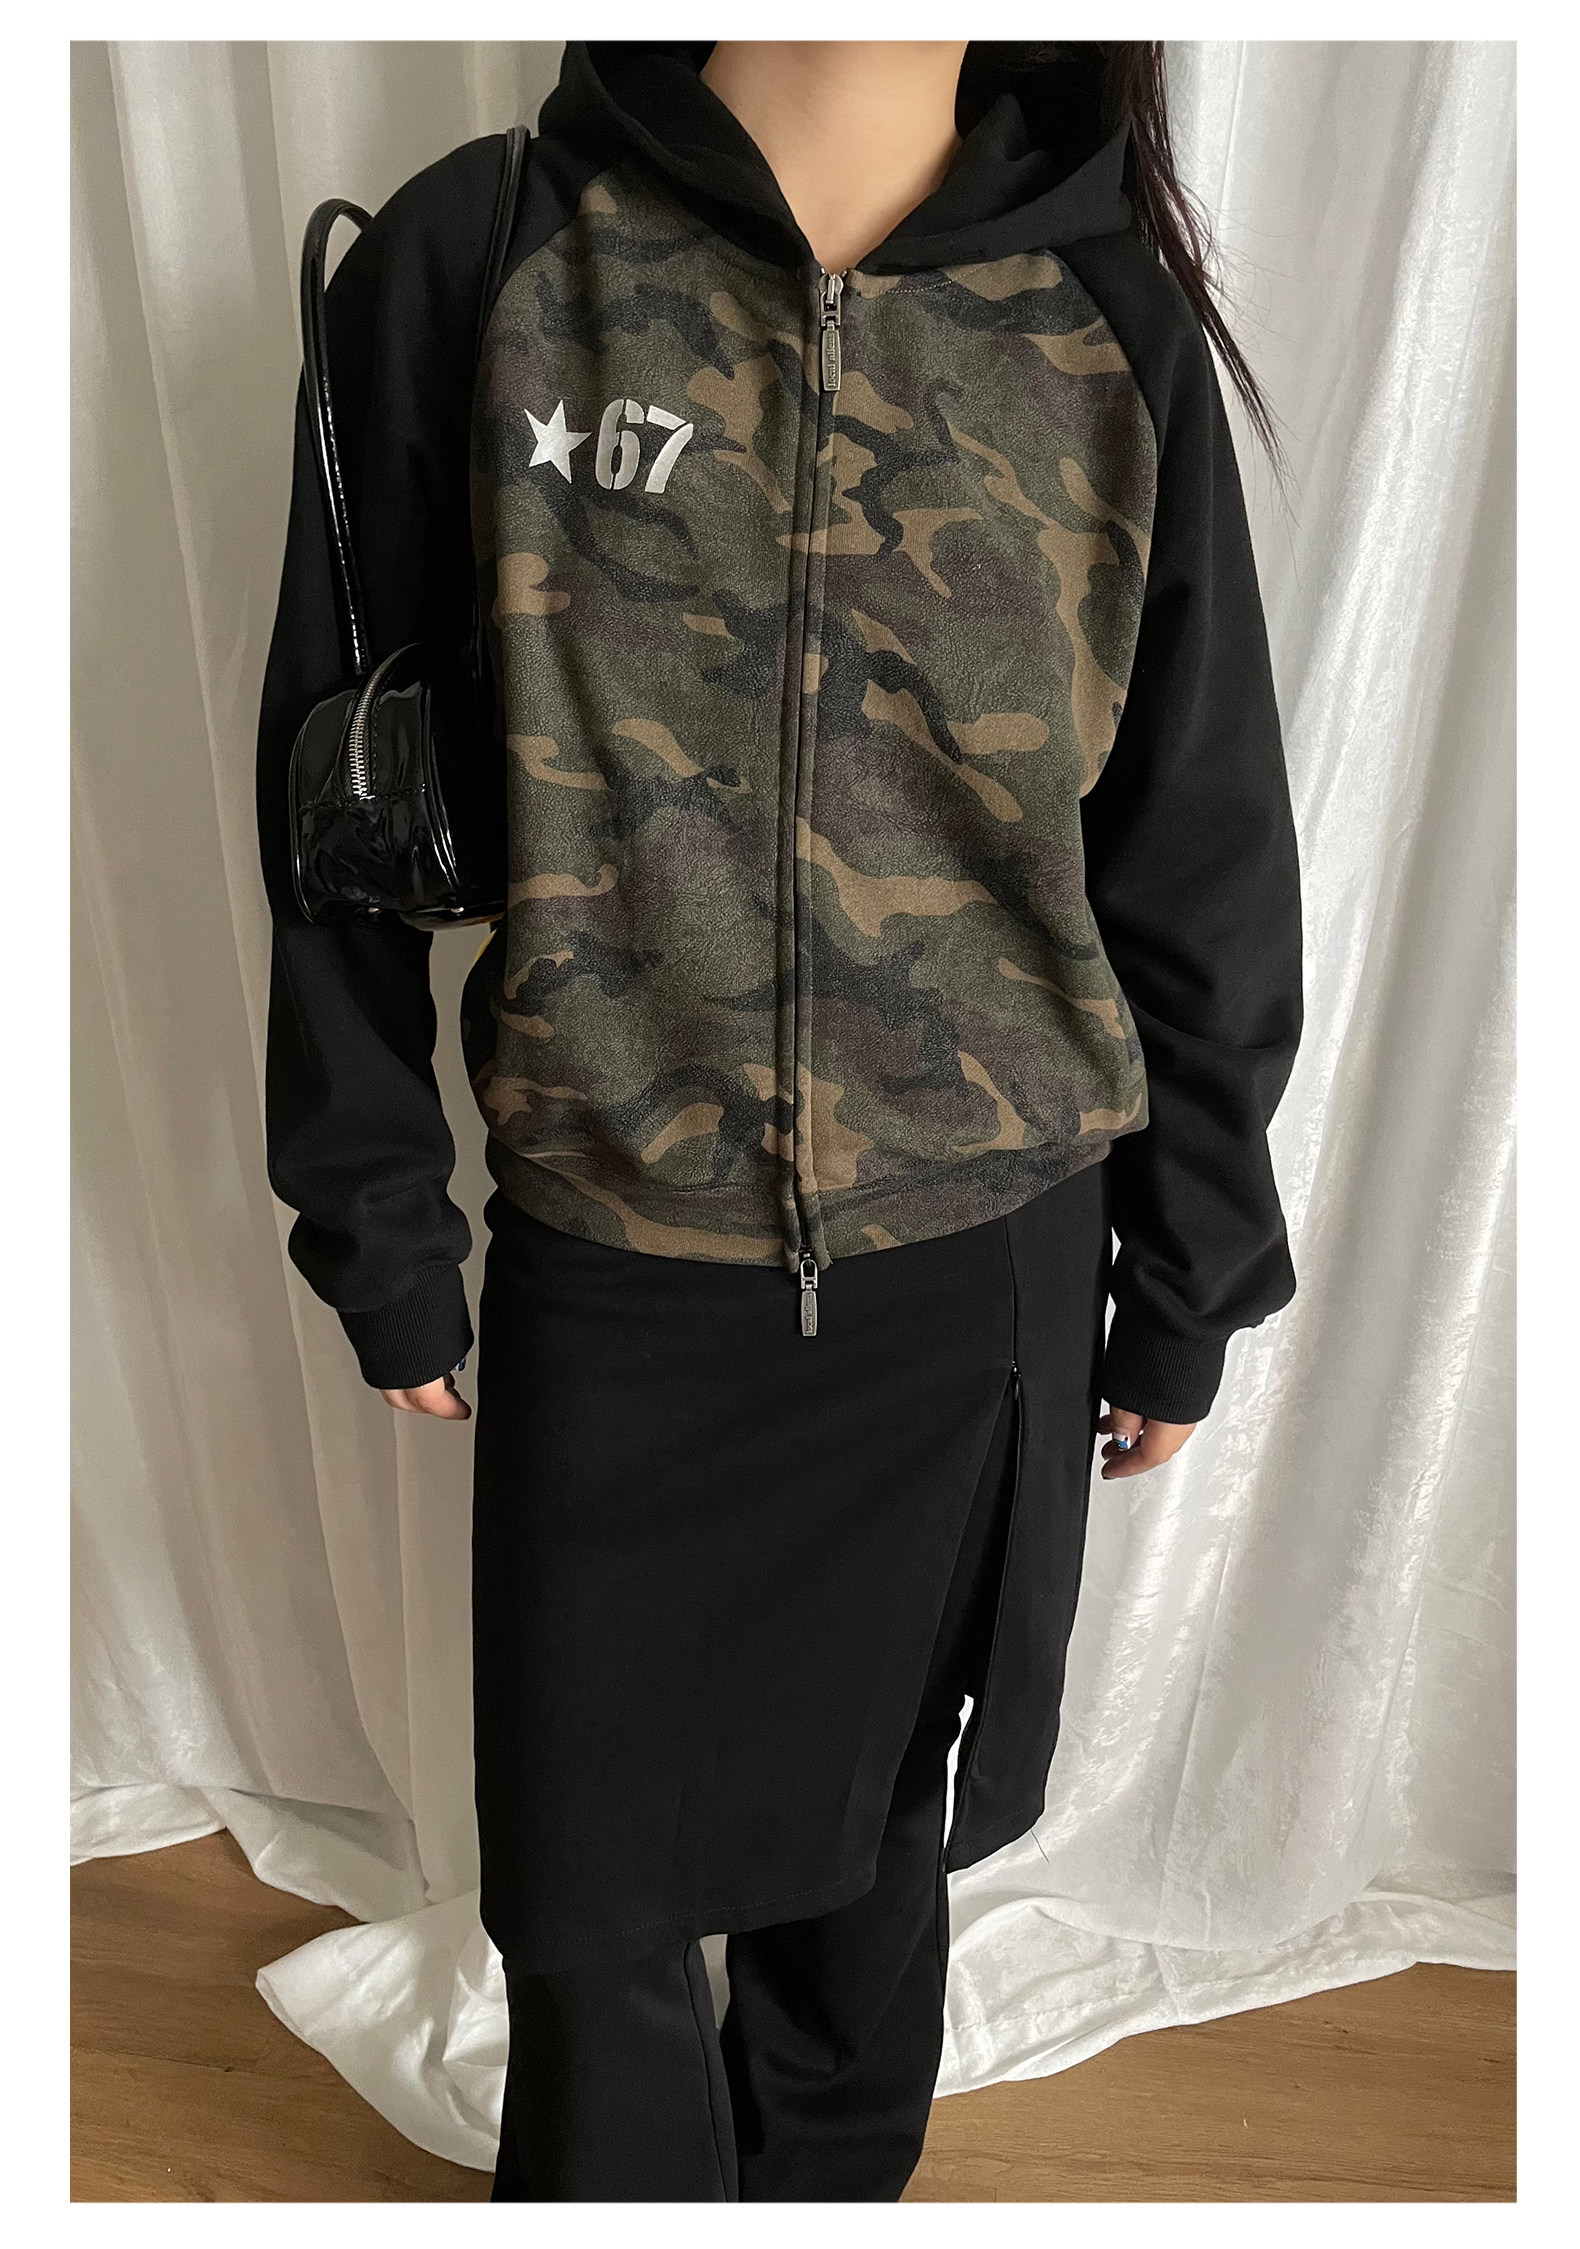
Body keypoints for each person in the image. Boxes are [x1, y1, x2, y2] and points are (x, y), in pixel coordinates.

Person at [255, 38, 1303, 2203]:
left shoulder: (1103, 316)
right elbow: (339, 781)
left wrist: (1192, 1263)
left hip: (979, 1251)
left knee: (868, 1863)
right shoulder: (486, 253)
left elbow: (1194, 836)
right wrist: (373, 1200)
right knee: (591, 1903)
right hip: (616, 1235)